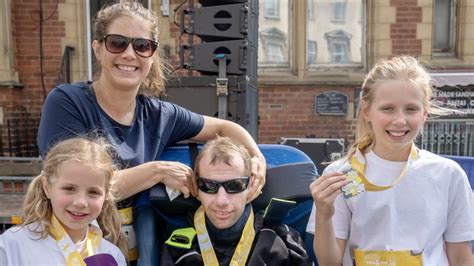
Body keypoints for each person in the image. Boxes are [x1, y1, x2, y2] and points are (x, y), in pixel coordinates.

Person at [37, 1, 266, 265]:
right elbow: (81, 186)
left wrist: (256, 158)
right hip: (67, 248)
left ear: (152, 55)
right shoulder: (67, 102)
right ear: (97, 48)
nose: (129, 54)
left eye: (142, 46)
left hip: (131, 252)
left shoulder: (159, 114)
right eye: (117, 43)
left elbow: (226, 127)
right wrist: (156, 171)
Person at [306, 56, 474, 265]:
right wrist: (324, 214)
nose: (399, 120)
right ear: (367, 111)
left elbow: (461, 256)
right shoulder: (341, 173)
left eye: (411, 109)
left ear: (424, 113)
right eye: (388, 108)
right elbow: (329, 262)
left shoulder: (448, 174)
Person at [160, 136, 312, 265]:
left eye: (235, 185)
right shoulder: (178, 249)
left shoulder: (285, 244)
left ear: (251, 185)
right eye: (209, 186)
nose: (221, 200)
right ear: (196, 189)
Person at [0, 137, 127, 265]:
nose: (81, 202)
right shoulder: (11, 246)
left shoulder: (112, 256)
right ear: (47, 187)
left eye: (93, 192)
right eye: (69, 189)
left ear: (106, 195)